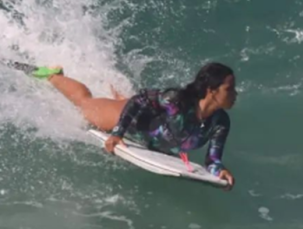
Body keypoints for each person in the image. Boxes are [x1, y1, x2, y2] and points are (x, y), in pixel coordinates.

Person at [34, 62, 237, 190]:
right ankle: (54, 75)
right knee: (85, 104)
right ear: (211, 90)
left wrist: (219, 170)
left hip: (153, 135)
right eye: (229, 89)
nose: (235, 93)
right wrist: (117, 133)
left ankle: (119, 95)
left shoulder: (220, 122)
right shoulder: (176, 101)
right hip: (130, 122)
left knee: (132, 103)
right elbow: (141, 99)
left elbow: (212, 159)